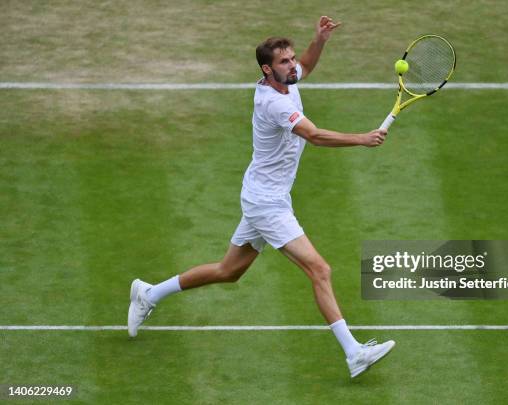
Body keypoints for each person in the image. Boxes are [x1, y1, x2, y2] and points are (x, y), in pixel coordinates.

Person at [128, 16, 393, 378]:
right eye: (285, 62)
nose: (293, 65)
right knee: (320, 269)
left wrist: (320, 40)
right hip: (266, 202)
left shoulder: (288, 81)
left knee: (228, 271)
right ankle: (353, 352)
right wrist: (362, 138)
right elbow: (313, 135)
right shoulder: (274, 103)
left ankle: (149, 294)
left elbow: (308, 67)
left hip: (263, 194)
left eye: (292, 58)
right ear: (268, 69)